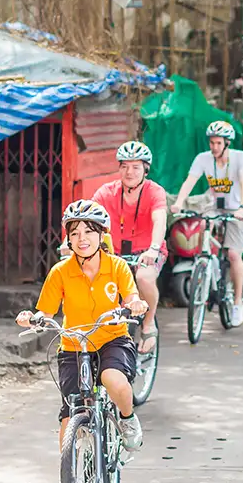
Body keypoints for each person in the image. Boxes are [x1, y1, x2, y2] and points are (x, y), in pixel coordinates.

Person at [16, 199, 148, 456]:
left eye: (89, 231)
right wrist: (32, 318)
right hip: (73, 344)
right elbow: (46, 310)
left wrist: (136, 304)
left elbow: (130, 297)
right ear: (68, 239)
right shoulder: (60, 271)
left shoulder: (117, 267)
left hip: (112, 339)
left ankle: (127, 419)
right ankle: (67, 478)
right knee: (70, 412)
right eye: (74, 233)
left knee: (113, 379)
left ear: (101, 235)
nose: (82, 238)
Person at [170, 120, 243, 327]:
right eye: (211, 143)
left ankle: (237, 303)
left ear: (227, 143)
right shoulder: (203, 159)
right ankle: (207, 265)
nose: (214, 147)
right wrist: (179, 202)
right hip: (214, 205)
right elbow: (190, 180)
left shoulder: (241, 158)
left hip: (237, 208)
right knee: (200, 231)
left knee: (233, 254)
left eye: (218, 143)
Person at [91, 141, 168, 355]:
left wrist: (153, 249)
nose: (129, 171)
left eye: (135, 167)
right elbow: (87, 218)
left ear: (146, 169)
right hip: (114, 254)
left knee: (144, 278)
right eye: (124, 166)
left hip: (147, 253)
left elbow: (160, 219)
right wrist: (68, 244)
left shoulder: (155, 192)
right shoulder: (107, 192)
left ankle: (149, 323)